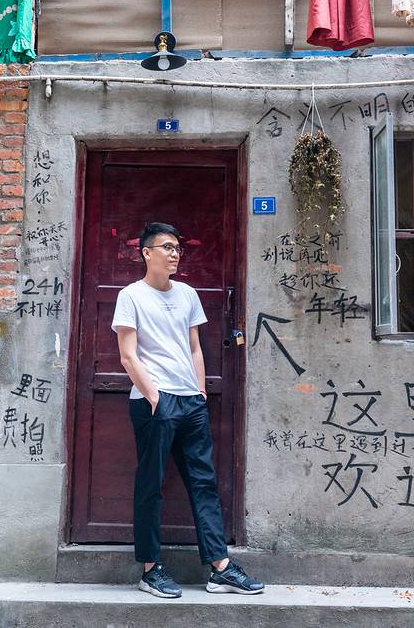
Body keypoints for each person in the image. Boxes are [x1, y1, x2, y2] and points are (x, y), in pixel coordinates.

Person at [112, 221, 264, 599]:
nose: (175, 253)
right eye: (167, 247)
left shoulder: (187, 294)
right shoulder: (131, 296)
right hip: (155, 402)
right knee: (151, 485)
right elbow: (128, 355)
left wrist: (199, 392)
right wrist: (154, 395)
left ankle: (220, 569)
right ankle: (150, 569)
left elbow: (194, 347)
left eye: (178, 248)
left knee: (203, 483)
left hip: (190, 402)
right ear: (147, 253)